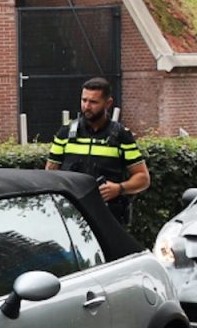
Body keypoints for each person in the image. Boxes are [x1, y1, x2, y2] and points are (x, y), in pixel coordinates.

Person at [46, 78, 150, 227]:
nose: (87, 106)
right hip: (72, 216)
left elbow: (143, 178)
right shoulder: (65, 133)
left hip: (110, 217)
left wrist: (119, 189)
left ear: (108, 103)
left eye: (93, 102)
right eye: (84, 100)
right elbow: (50, 174)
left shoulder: (121, 136)